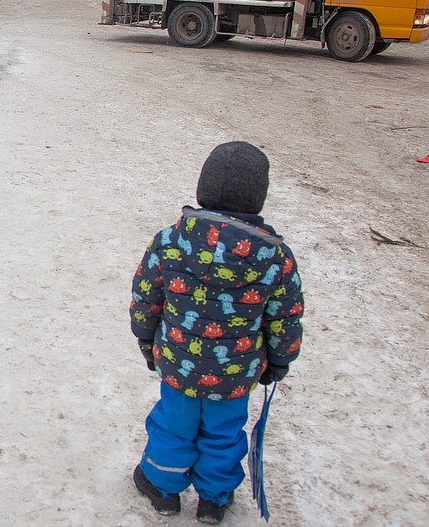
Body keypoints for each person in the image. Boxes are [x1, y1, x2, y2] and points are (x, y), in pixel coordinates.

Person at [129, 142, 303, 524]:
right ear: (259, 196)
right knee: (223, 434)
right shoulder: (275, 258)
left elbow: (146, 294)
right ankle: (214, 498)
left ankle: (162, 487)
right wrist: (279, 359)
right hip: (236, 374)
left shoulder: (171, 240)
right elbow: (284, 317)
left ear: (202, 188)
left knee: (174, 426)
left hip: (178, 363)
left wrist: (145, 337)